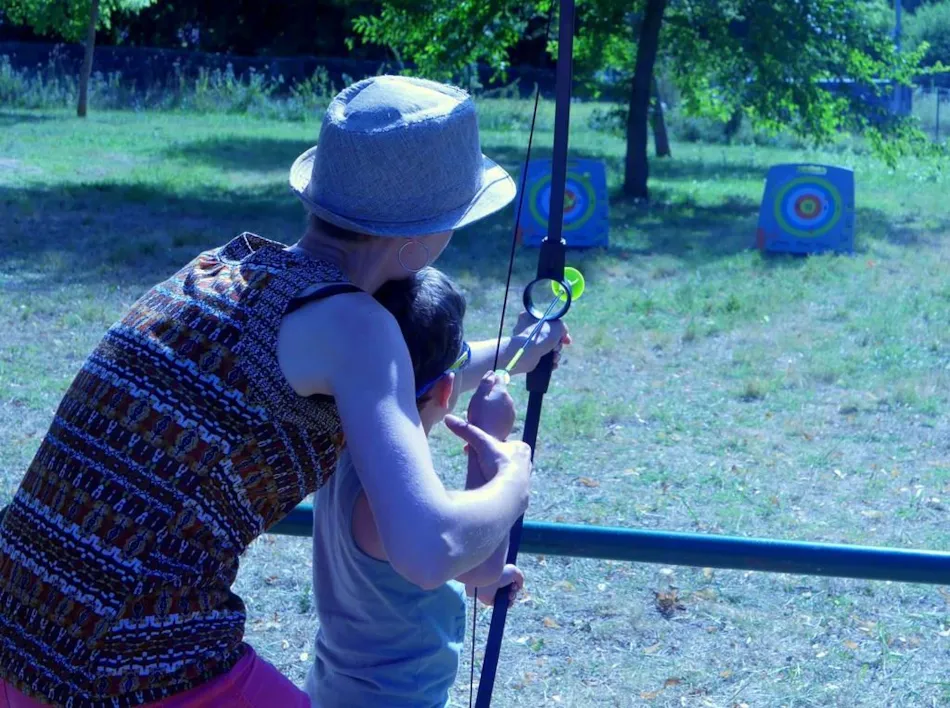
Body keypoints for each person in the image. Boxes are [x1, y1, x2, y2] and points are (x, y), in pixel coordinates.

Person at [0, 74, 569, 707]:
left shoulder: (228, 271)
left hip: (21, 627)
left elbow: (404, 387)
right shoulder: (357, 327)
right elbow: (428, 549)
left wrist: (520, 351)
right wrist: (513, 481)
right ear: (418, 237)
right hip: (129, 657)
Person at [307, 268, 524, 708]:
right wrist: (490, 443)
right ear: (448, 390)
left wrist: (523, 347)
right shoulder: (382, 498)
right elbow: (474, 564)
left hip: (336, 689)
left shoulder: (345, 433)